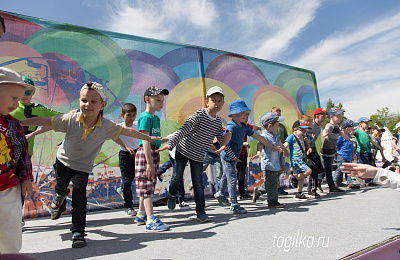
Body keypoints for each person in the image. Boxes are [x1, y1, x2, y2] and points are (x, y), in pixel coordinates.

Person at [20, 82, 160, 247]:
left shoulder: (106, 126)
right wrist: (16, 122)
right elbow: (46, 121)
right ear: (79, 102)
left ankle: (78, 231)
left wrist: (148, 138)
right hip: (63, 161)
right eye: (84, 100)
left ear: (102, 105)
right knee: (62, 186)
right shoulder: (70, 118)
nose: (88, 105)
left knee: (80, 197)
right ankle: (60, 195)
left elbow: (126, 131)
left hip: (82, 167)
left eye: (94, 101)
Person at [162, 86, 232, 222]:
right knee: (177, 175)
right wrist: (172, 142)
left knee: (198, 183)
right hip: (183, 149)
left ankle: (201, 212)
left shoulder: (218, 122)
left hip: (198, 155)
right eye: (213, 100)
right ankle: (172, 194)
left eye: (220, 101)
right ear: (207, 102)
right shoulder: (199, 114)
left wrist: (230, 154)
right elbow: (185, 128)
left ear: (223, 103)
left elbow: (222, 142)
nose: (216, 103)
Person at [215, 100, 280, 214]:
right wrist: (224, 145)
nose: (246, 116)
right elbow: (228, 134)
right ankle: (234, 204)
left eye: (247, 114)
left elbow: (258, 137)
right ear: (234, 114)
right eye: (243, 114)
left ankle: (220, 193)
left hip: (235, 155)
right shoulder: (232, 125)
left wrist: (271, 146)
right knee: (232, 178)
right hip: (227, 155)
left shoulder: (244, 127)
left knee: (227, 175)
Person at [0, 67, 35, 253]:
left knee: (10, 229)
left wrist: (27, 178)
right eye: (13, 98)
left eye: (19, 99)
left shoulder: (13, 124)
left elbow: (22, 153)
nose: (16, 104)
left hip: (8, 187)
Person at [133, 86, 170, 232]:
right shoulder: (145, 117)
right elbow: (146, 141)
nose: (161, 103)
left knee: (148, 185)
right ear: (147, 100)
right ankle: (150, 219)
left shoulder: (155, 117)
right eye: (158, 100)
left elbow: (154, 139)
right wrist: (149, 163)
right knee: (147, 185)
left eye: (162, 100)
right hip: (145, 154)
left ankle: (141, 214)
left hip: (153, 153)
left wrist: (167, 139)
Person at [252, 112, 289, 207]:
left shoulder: (274, 135)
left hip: (275, 164)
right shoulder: (264, 136)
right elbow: (260, 144)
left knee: (271, 183)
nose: (278, 127)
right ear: (270, 126)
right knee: (272, 184)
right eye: (277, 125)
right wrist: (258, 152)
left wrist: (285, 150)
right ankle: (272, 201)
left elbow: (279, 143)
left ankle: (259, 190)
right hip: (268, 165)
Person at [321, 107, 355, 193]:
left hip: (332, 150)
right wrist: (324, 133)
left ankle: (328, 184)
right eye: (338, 116)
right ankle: (331, 187)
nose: (340, 118)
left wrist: (349, 139)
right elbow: (325, 130)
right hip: (327, 150)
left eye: (341, 116)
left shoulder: (336, 127)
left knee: (328, 169)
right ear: (332, 116)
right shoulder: (329, 125)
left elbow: (342, 134)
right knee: (328, 169)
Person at [115, 103, 140, 217]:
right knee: (127, 180)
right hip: (124, 155)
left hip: (136, 154)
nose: (131, 118)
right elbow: (113, 136)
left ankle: (121, 188)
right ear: (122, 115)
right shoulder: (119, 127)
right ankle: (129, 207)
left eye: (134, 115)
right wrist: (126, 146)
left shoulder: (137, 125)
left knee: (132, 178)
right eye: (128, 115)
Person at [283, 120, 312, 200]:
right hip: (296, 159)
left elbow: (306, 141)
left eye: (305, 131)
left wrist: (309, 148)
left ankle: (299, 193)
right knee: (308, 171)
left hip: (301, 159)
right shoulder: (292, 136)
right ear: (295, 130)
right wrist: (282, 149)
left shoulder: (301, 138)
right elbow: (286, 144)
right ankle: (294, 178)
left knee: (302, 177)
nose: (304, 133)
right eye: (302, 130)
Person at [355, 117, 385, 185]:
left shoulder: (367, 134)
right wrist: (355, 128)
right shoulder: (357, 132)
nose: (367, 124)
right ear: (360, 124)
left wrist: (380, 147)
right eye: (365, 123)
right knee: (364, 166)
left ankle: (370, 180)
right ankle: (363, 178)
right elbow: (351, 132)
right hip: (362, 152)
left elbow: (373, 142)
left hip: (368, 151)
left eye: (368, 123)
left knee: (370, 165)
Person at [332, 120, 359, 189]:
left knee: (348, 169)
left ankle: (349, 182)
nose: (353, 128)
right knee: (340, 168)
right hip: (342, 155)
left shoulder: (348, 134)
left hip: (348, 155)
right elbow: (336, 144)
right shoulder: (341, 136)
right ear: (347, 128)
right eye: (351, 127)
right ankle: (335, 181)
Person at [271, 107, 289, 195]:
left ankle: (275, 183)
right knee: (275, 169)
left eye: (279, 114)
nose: (278, 116)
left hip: (282, 150)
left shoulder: (281, 126)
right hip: (274, 150)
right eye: (276, 114)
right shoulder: (270, 126)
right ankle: (276, 187)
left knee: (282, 168)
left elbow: (286, 138)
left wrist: (284, 149)